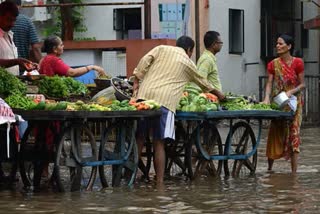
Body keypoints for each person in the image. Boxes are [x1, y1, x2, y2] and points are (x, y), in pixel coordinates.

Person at [132, 36, 225, 184]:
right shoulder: (187, 62)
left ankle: (129, 177)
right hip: (165, 102)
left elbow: (145, 59)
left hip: (144, 97)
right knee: (159, 143)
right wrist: (220, 95)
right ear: (189, 50)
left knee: (140, 138)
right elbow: (203, 83)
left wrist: (137, 79)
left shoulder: (161, 48)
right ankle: (160, 183)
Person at [262, 34, 305, 173]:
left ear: (289, 46)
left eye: (280, 44)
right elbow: (269, 83)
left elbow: (302, 85)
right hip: (279, 103)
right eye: (277, 43)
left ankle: (294, 174)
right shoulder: (273, 64)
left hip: (294, 104)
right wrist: (267, 98)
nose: (277, 46)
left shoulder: (298, 63)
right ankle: (269, 169)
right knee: (274, 132)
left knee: (294, 134)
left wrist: (291, 92)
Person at [39, 35, 106, 77]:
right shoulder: (54, 60)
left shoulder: (43, 60)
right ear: (55, 49)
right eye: (61, 45)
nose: (63, 46)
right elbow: (72, 73)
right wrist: (91, 67)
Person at [0, 1, 35, 75]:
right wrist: (16, 61)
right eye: (9, 20)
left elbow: (9, 63)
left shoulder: (9, 34)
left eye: (14, 20)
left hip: (12, 82)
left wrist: (24, 64)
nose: (12, 24)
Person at [10, 0, 42, 67]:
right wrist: (41, 65)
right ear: (20, 6)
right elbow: (35, 47)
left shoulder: (2, 22)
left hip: (4, 67)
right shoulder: (27, 21)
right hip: (23, 65)